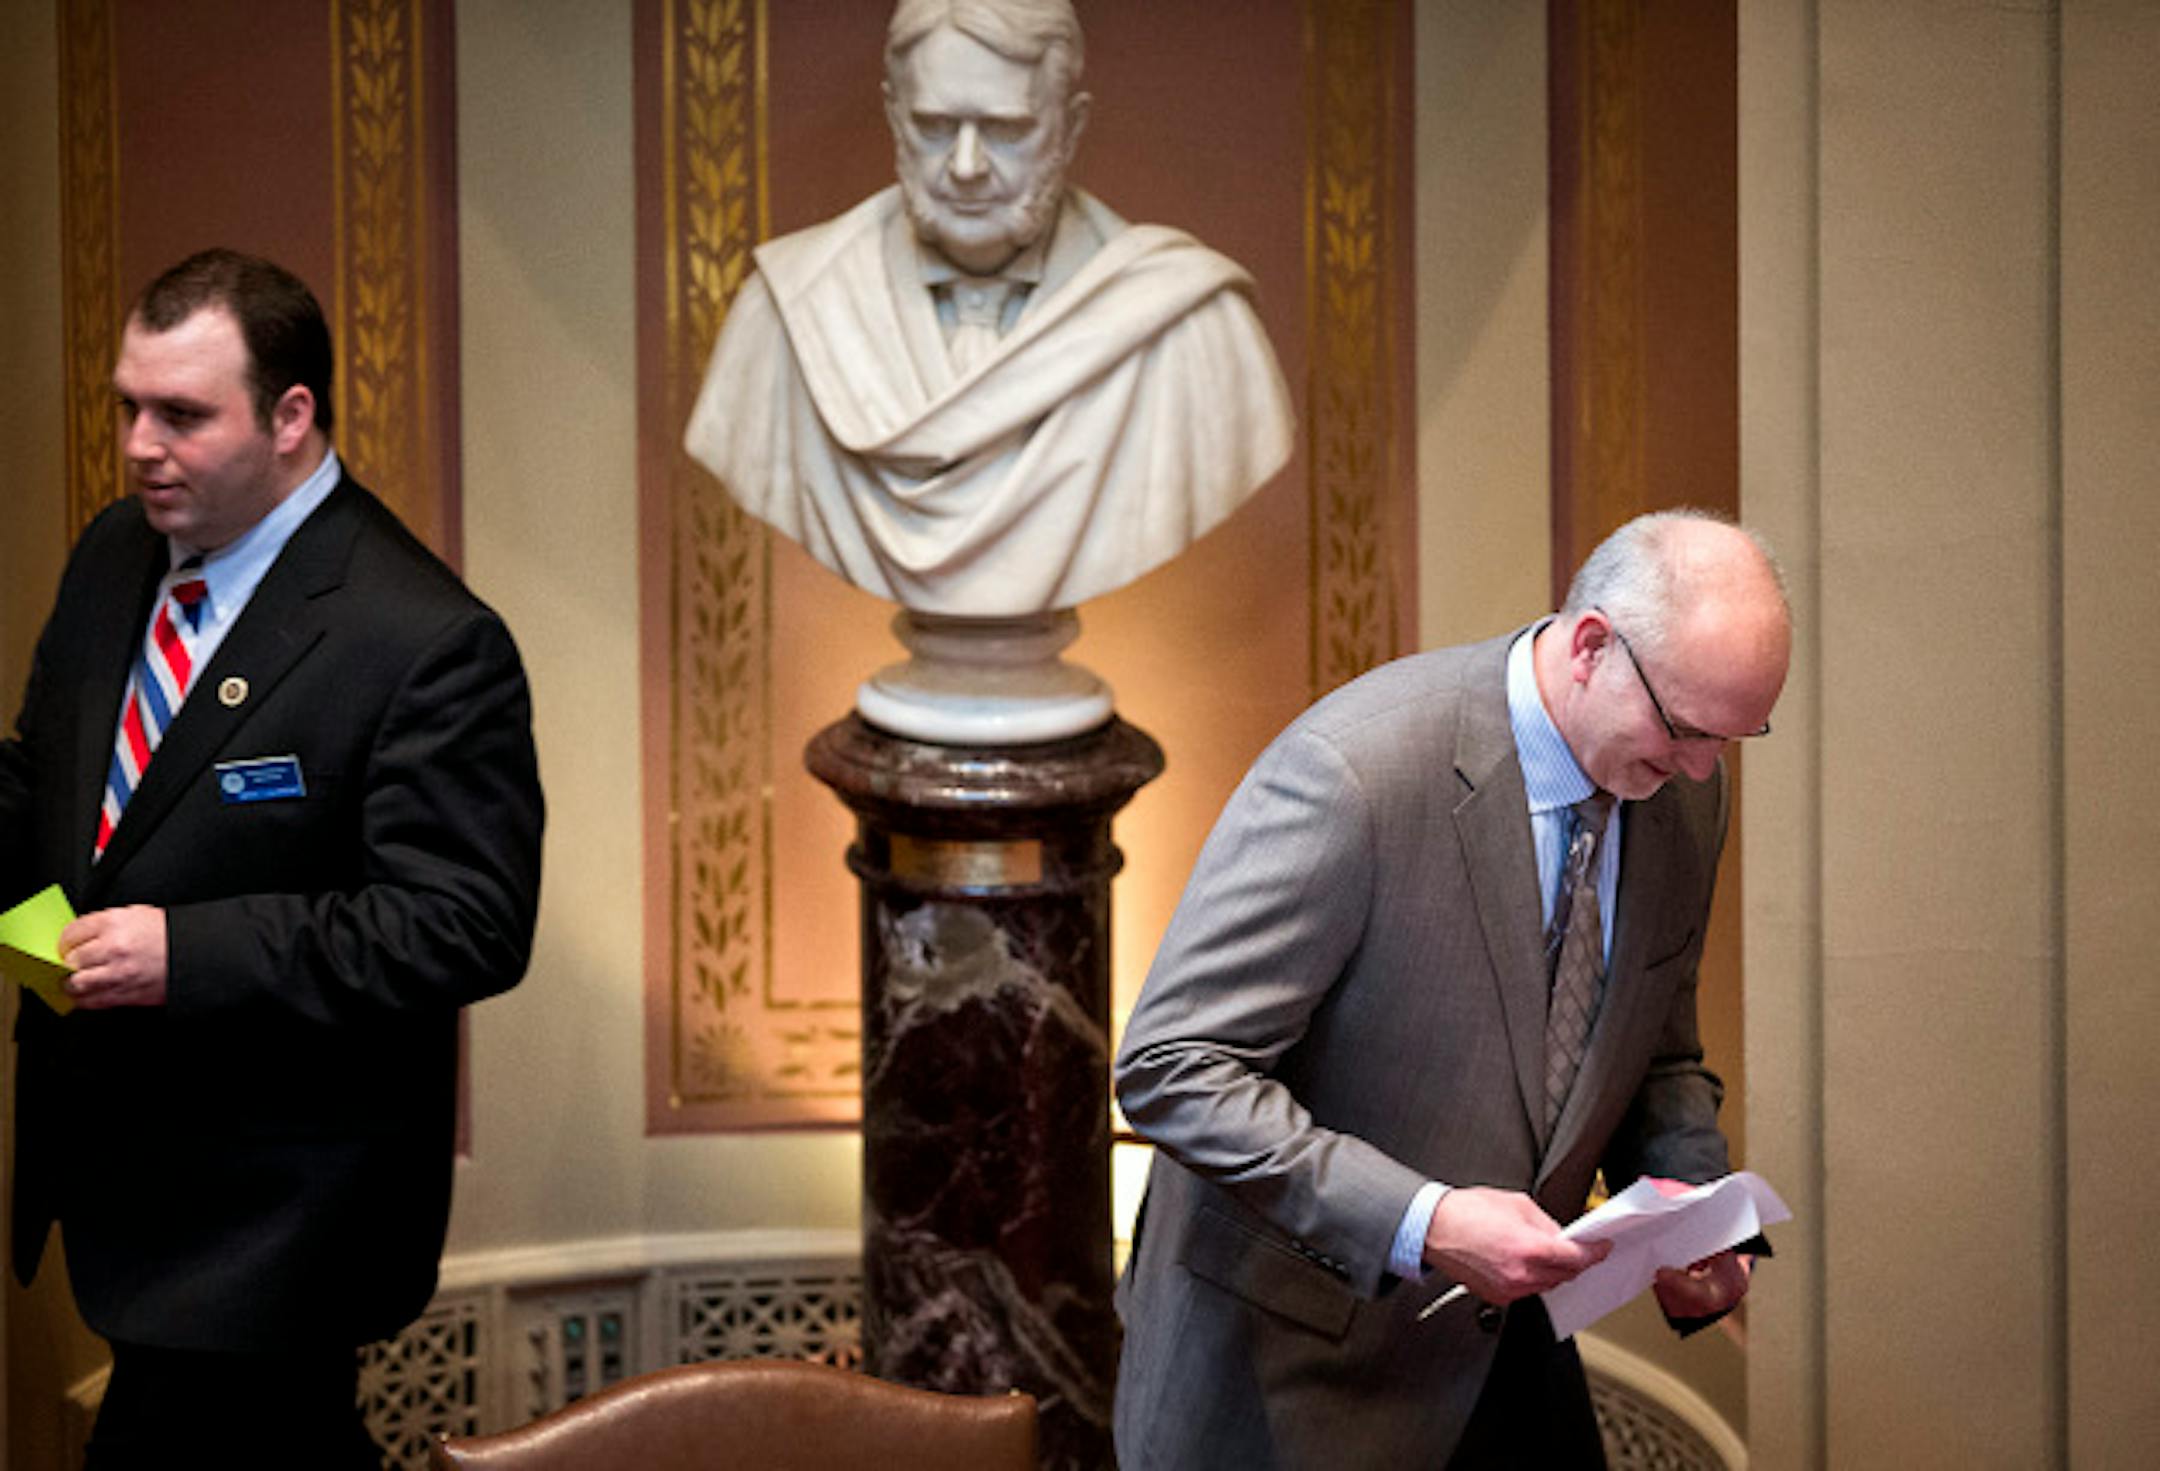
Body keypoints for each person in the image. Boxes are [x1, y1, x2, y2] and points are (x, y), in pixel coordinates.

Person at [0, 249, 544, 1468]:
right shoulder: (111, 556)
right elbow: (45, 789)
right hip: (118, 1187)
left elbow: (465, 921)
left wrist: (183, 951)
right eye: (128, 407)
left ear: (292, 416)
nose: (142, 444)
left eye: (183, 415)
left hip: (275, 1227)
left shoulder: (423, 639)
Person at [1112, 511, 1791, 1468]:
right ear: (1591, 645)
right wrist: (1422, 1220)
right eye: (1683, 727)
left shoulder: (1680, 789)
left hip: (1507, 1361)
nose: (1699, 767)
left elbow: (1657, 1044)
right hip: (1290, 1374)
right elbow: (1172, 1065)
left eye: (1733, 736)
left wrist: (1693, 1210)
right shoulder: (1357, 773)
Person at [682, 0, 1293, 616]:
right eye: (934, 126)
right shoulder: (783, 317)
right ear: (895, 116)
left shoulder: (1194, 331)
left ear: (1071, 128)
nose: (966, 167)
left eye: (1005, 129)